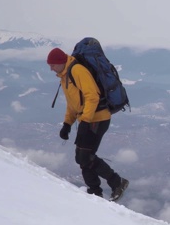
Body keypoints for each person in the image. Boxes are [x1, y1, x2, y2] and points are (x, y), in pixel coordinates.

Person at [47, 47, 129, 201]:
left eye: (52, 64)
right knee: (82, 157)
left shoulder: (77, 70)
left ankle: (117, 182)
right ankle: (94, 193)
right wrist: (67, 124)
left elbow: (92, 97)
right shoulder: (64, 76)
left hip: (97, 118)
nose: (51, 68)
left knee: (85, 156)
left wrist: (85, 121)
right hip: (88, 119)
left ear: (60, 62)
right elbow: (73, 104)